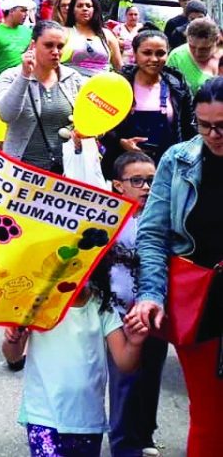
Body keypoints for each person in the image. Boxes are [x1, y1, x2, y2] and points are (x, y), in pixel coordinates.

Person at [129, 76, 223, 456]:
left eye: (222, 126)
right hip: (202, 302)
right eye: (204, 126)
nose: (214, 135)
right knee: (208, 416)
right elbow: (152, 235)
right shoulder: (178, 159)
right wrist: (151, 294)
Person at [2, 260, 147, 457]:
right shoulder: (36, 304)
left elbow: (125, 362)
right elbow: (13, 355)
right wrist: (13, 339)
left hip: (87, 423)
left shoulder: (101, 305)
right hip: (44, 417)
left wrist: (135, 343)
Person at [106, 152, 168, 457]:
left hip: (156, 310)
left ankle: (144, 435)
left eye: (152, 180)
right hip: (119, 313)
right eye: (137, 181)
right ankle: (124, 444)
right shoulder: (110, 219)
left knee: (151, 372)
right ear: (118, 185)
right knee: (124, 378)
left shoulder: (162, 216)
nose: (146, 187)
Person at [100, 30, 193, 175]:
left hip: (166, 166)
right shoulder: (118, 85)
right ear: (135, 54)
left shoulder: (177, 85)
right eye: (147, 53)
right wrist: (120, 142)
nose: (154, 59)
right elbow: (101, 126)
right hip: (122, 166)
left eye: (160, 53)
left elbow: (189, 126)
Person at [0, 20, 83, 171]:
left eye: (60, 46)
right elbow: (6, 114)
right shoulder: (10, 76)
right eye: (49, 45)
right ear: (33, 45)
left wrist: (85, 134)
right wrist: (24, 75)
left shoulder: (73, 78)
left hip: (65, 172)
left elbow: (91, 119)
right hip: (22, 171)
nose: (56, 51)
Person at [62, 0, 123, 76]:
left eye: (88, 6)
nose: (85, 9)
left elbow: (119, 67)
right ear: (72, 10)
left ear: (94, 10)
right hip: (72, 87)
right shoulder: (64, 33)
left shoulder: (107, 35)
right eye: (80, 6)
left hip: (102, 86)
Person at [166, 17, 221, 95]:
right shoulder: (177, 57)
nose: (197, 53)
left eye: (204, 49)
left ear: (217, 40)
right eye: (192, 47)